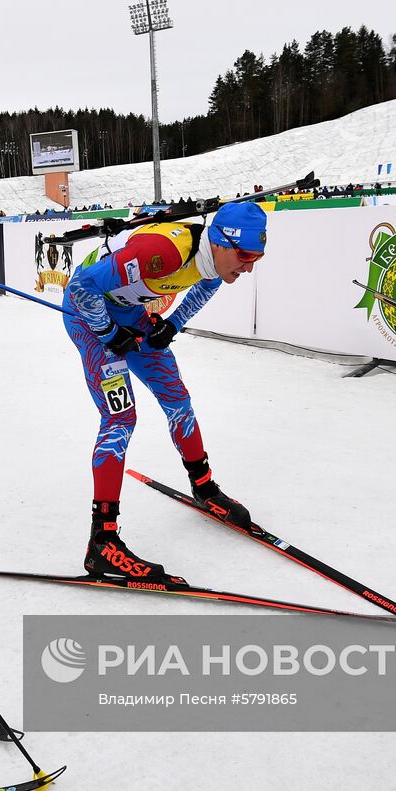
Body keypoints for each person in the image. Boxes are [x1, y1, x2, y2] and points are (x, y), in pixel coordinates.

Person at [63, 201, 267, 585]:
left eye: (257, 257)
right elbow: (80, 287)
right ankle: (102, 542)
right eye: (244, 256)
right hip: (88, 316)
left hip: (129, 315)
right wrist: (107, 333)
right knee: (121, 418)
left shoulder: (210, 258)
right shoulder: (164, 252)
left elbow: (204, 287)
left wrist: (171, 325)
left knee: (178, 401)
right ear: (221, 243)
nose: (249, 266)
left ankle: (204, 488)